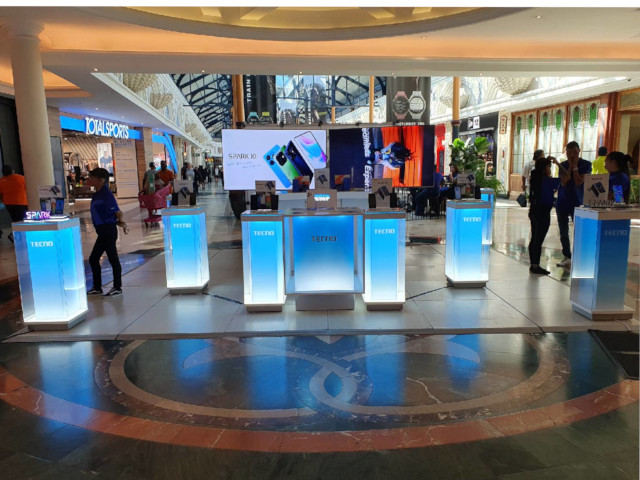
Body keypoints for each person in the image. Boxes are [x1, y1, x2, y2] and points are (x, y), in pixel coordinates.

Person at [86, 168, 128, 297]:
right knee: (95, 259)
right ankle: (98, 287)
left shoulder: (106, 194)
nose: (90, 179)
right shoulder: (97, 194)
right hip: (102, 231)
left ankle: (116, 287)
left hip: (108, 231)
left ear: (101, 180)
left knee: (110, 258)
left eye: (92, 177)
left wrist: (122, 223)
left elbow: (118, 212)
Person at [555, 141, 592, 268]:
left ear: (579, 151)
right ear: (565, 153)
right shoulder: (563, 165)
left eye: (574, 152)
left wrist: (575, 167)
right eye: (569, 152)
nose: (571, 155)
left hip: (578, 202)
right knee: (563, 231)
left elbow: (578, 181)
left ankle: (579, 256)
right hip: (562, 202)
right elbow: (564, 181)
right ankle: (567, 256)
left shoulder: (586, 164)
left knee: (579, 230)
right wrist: (570, 166)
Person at [528, 156, 566, 275]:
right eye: (549, 167)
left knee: (534, 238)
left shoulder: (535, 179)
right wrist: (558, 163)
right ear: (544, 168)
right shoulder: (547, 181)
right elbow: (566, 177)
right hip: (543, 212)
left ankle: (533, 264)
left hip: (534, 210)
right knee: (538, 240)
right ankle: (536, 266)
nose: (550, 169)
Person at [0, 165, 28, 244]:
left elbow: (1, 194)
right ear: (12, 170)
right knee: (22, 220)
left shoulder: (1, 181)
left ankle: (17, 236)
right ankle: (14, 235)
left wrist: (4, 201)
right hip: (21, 202)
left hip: (8, 204)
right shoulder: (20, 178)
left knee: (16, 220)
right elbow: (28, 188)